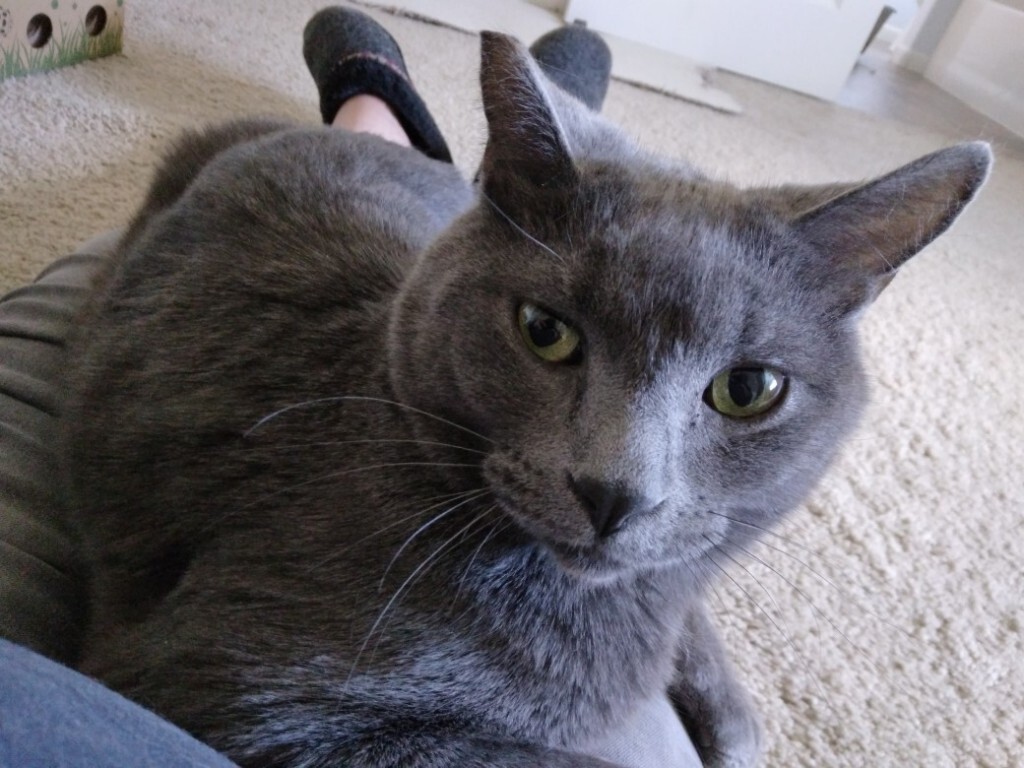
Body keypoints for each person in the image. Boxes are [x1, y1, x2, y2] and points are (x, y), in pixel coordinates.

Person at [0, 8, 640, 767]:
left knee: (480, 236)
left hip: (273, 191)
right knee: (504, 261)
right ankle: (499, 162)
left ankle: (392, 117)